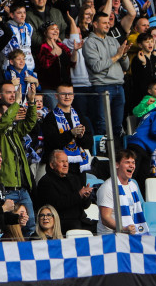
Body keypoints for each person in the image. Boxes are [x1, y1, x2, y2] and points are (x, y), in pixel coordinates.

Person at [0, 82, 38, 235]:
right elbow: (4, 123)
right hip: (6, 190)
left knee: (30, 227)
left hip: (22, 189)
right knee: (9, 229)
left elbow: (30, 123)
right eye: (7, 113)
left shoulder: (12, 131)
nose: (10, 116)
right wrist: (17, 102)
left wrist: (31, 102)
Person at [82, 12, 130, 140]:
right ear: (95, 24)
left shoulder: (113, 40)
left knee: (117, 124)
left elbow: (125, 66)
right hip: (102, 87)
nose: (108, 25)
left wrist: (124, 55)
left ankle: (117, 149)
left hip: (119, 86)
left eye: (108, 23)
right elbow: (96, 67)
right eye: (104, 23)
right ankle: (102, 150)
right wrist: (117, 56)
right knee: (102, 124)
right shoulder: (89, 42)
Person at [31, 149, 96, 234]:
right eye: (61, 162)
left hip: (81, 220)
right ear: (52, 165)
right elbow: (56, 204)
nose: (65, 165)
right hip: (62, 223)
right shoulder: (46, 182)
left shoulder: (74, 179)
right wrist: (79, 194)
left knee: (99, 228)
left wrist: (85, 197)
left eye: (66, 161)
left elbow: (85, 206)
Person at [97, 149, 148, 235]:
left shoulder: (133, 186)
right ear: (117, 165)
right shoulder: (108, 187)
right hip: (110, 237)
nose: (131, 166)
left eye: (133, 163)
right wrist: (123, 229)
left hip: (128, 235)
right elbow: (105, 218)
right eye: (127, 162)